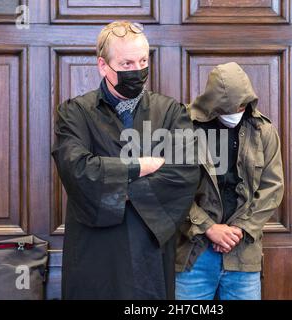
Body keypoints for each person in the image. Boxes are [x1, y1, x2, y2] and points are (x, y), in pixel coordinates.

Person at [52, 20, 199, 300]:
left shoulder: (170, 112)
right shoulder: (74, 113)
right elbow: (78, 170)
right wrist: (142, 166)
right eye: (127, 63)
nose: (138, 70)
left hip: (150, 250)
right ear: (103, 66)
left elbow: (184, 173)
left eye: (143, 60)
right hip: (94, 253)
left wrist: (114, 185)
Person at [175, 62, 284, 300]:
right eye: (230, 108)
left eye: (243, 105)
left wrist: (239, 230)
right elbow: (170, 189)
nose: (238, 111)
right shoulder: (183, 127)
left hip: (243, 254)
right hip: (194, 253)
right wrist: (209, 228)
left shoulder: (263, 131)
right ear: (212, 104)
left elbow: (272, 188)